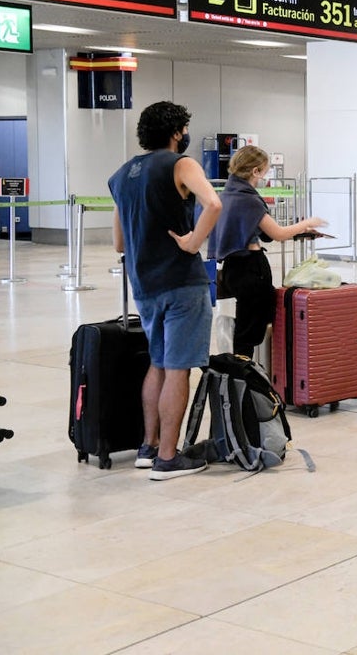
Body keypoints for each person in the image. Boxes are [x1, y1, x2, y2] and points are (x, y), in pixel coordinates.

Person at [108, 101, 221, 480]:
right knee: (178, 368)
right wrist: (193, 242)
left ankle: (149, 446)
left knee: (157, 363)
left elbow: (119, 243)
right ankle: (169, 458)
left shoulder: (121, 176)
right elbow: (214, 203)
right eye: (184, 129)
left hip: (144, 285)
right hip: (182, 283)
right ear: (176, 133)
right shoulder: (180, 165)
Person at [209, 145, 326, 357]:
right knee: (252, 326)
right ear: (256, 171)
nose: (267, 173)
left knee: (247, 320)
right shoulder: (249, 199)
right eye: (266, 169)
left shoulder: (227, 195)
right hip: (251, 269)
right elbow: (278, 233)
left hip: (231, 270)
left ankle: (246, 366)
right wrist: (306, 223)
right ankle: (244, 373)